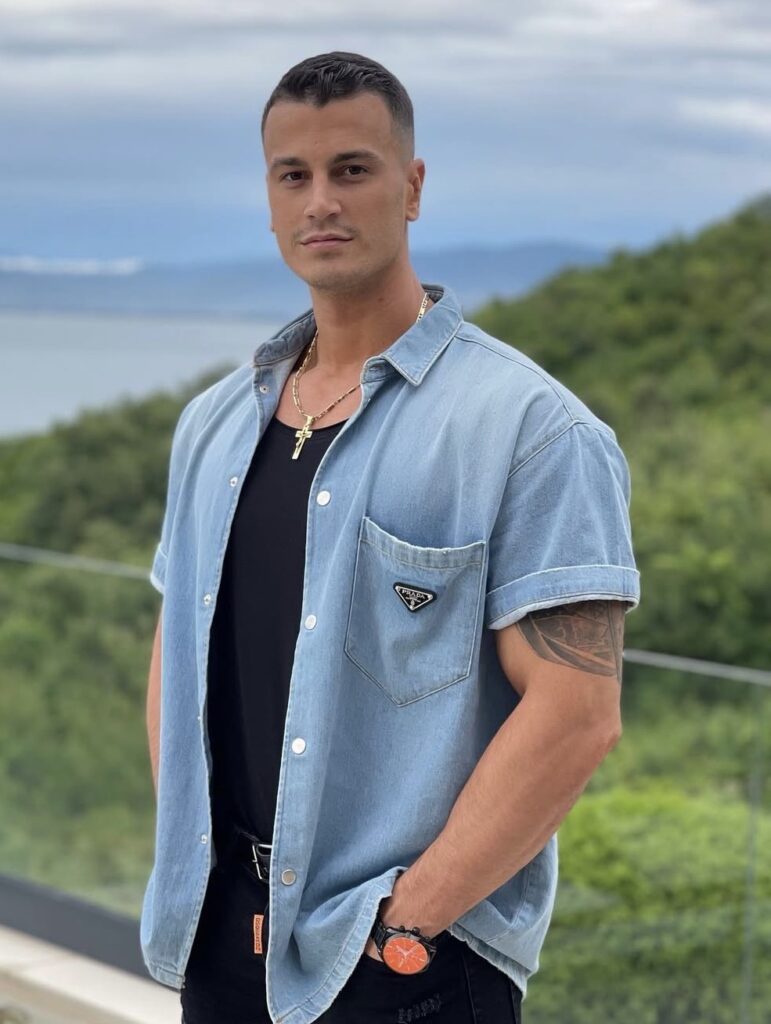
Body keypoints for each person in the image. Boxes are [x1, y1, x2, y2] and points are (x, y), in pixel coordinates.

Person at [141, 51, 640, 1024]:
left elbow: (577, 715)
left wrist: (405, 925)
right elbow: (178, 652)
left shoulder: (530, 430)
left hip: (406, 967)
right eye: (294, 175)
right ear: (269, 199)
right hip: (221, 940)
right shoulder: (214, 425)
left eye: (352, 169)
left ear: (411, 188)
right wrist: (189, 847)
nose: (321, 201)